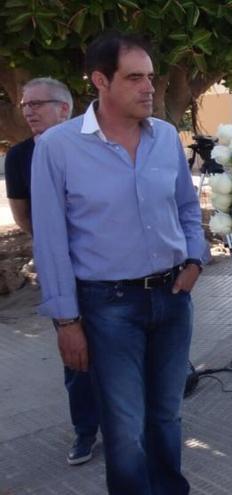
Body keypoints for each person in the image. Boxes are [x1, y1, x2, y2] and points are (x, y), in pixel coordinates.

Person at [30, 32, 206, 494]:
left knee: (167, 415)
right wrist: (66, 321)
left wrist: (195, 261)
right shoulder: (58, 147)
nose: (148, 87)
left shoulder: (166, 136)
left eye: (150, 76)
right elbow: (50, 240)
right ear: (100, 81)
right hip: (107, 306)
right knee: (125, 428)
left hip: (173, 297)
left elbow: (187, 207)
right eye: (134, 78)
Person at [4, 77, 101, 466]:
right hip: (64, 274)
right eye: (25, 105)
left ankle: (128, 425)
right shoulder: (20, 156)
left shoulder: (95, 144)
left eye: (37, 104)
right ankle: (85, 431)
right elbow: (25, 217)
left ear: (65, 108)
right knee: (77, 356)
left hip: (111, 271)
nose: (28, 111)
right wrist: (58, 247)